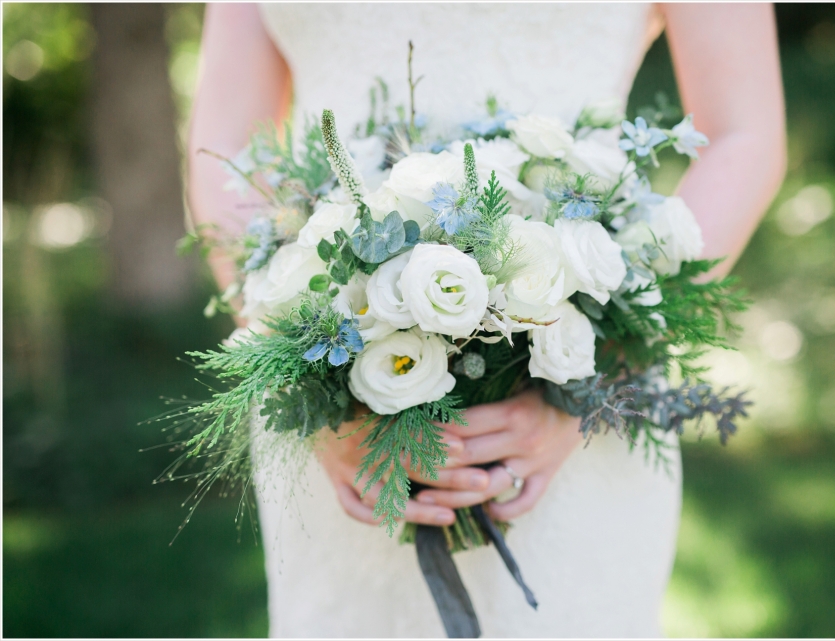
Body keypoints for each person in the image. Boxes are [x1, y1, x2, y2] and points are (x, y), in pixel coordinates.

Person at [187, 3, 785, 637]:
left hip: (577, 412)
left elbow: (742, 133)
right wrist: (302, 375)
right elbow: (224, 148)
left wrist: (596, 373)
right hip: (340, 430)